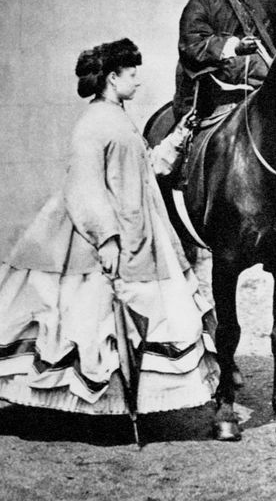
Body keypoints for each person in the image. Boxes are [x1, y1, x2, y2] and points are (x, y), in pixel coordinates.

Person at [0, 38, 218, 417]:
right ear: (113, 78)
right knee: (88, 320)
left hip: (140, 231)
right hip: (101, 235)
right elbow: (84, 185)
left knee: (142, 318)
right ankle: (88, 405)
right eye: (132, 75)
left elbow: (143, 171)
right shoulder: (94, 122)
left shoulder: (118, 117)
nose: (138, 82)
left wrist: (179, 138)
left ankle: (125, 402)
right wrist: (107, 239)